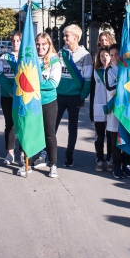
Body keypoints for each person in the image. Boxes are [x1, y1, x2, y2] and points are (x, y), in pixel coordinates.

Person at [20, 33, 61, 178]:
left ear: (49, 45)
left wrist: (33, 84)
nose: (40, 47)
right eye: (38, 44)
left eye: (44, 44)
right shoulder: (30, 59)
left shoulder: (55, 61)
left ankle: (53, 165)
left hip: (48, 102)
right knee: (30, 132)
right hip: (31, 101)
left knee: (49, 134)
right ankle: (28, 163)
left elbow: (53, 84)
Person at [55, 24, 92, 167]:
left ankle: (69, 155)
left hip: (74, 97)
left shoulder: (85, 56)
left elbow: (87, 80)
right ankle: (47, 152)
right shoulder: (60, 53)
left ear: (75, 37)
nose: (64, 38)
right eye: (64, 36)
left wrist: (81, 97)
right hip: (58, 96)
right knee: (52, 126)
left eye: (66, 36)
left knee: (72, 128)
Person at [105, 44, 130, 179]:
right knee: (115, 140)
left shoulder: (129, 69)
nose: (115, 57)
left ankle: (126, 164)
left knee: (127, 138)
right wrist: (123, 83)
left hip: (127, 110)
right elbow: (110, 89)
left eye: (117, 54)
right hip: (115, 110)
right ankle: (116, 165)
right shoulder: (108, 70)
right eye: (112, 55)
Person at [0, 31, 22, 165]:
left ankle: (23, 153)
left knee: (23, 124)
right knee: (10, 124)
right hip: (8, 96)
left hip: (23, 97)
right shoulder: (4, 57)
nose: (15, 43)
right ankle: (10, 153)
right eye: (13, 41)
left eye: (18, 41)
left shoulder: (27, 57)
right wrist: (12, 91)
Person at [91, 47, 113, 171]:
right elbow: (93, 91)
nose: (104, 58)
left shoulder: (114, 70)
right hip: (98, 107)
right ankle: (99, 159)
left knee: (110, 136)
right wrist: (91, 112)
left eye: (106, 55)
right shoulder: (95, 71)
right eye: (101, 56)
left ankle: (110, 159)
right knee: (99, 136)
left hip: (111, 107)